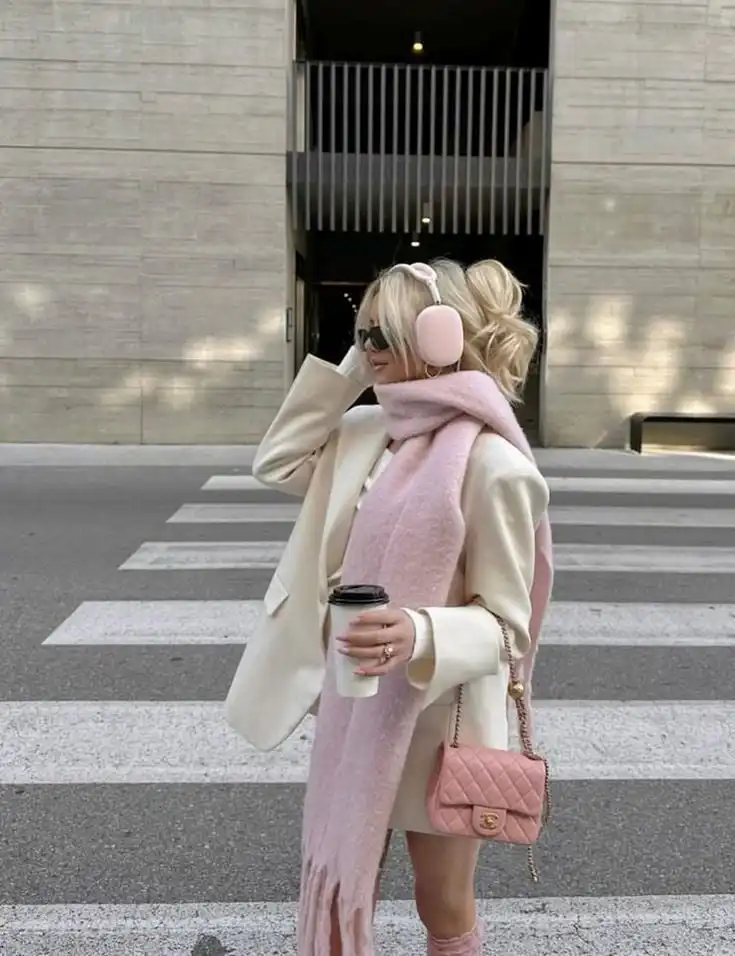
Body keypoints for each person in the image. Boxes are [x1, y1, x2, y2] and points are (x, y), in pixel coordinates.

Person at [224, 258, 553, 956]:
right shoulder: (364, 431)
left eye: (384, 332)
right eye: (360, 330)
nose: (367, 344)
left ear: (437, 338)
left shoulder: (495, 467)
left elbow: (506, 626)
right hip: (356, 709)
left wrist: (418, 629)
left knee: (442, 902)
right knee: (347, 880)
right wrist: (351, 372)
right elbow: (276, 463)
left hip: (439, 722)